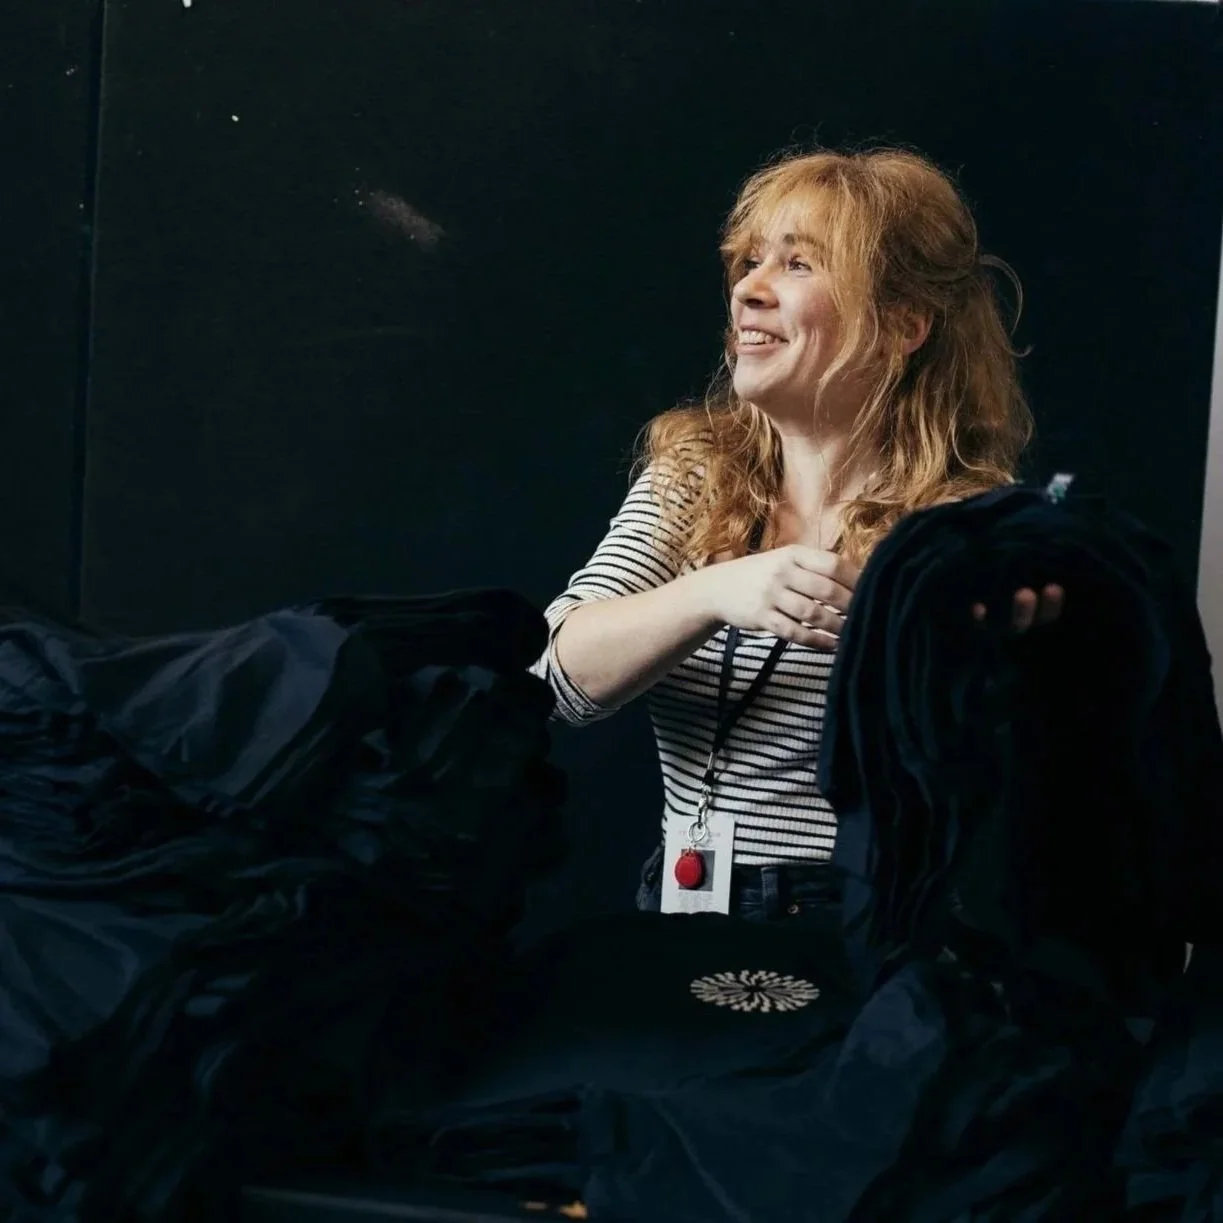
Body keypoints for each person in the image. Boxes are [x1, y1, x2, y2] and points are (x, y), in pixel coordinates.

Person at [532, 147, 1064, 924]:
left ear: (901, 324)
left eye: (798, 264)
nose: (748, 289)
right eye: (749, 262)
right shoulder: (697, 478)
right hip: (680, 913)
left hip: (873, 927)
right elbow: (551, 676)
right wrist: (716, 590)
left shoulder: (964, 526)